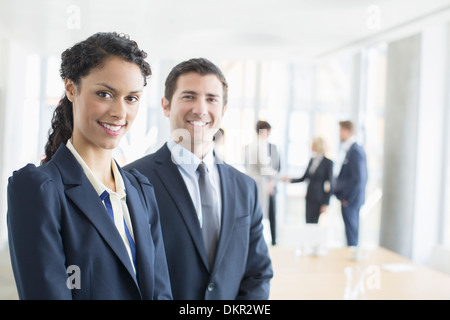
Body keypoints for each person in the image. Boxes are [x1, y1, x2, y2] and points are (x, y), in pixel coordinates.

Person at [7, 32, 172, 300]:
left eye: (131, 98)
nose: (120, 112)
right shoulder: (39, 188)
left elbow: (161, 291)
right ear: (71, 89)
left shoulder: (140, 190)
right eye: (105, 94)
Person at [125, 58, 273, 300]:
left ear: (223, 111)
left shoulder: (245, 187)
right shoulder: (133, 180)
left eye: (211, 99)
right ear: (166, 105)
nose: (201, 109)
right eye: (189, 96)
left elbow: (257, 272)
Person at [245, 120, 280, 245]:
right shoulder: (260, 146)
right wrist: (280, 177)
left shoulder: (251, 146)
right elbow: (264, 168)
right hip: (259, 184)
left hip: (253, 183)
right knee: (259, 216)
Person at [283, 137, 333, 224]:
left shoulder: (328, 162)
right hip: (310, 196)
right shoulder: (312, 160)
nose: (311, 146)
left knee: (315, 223)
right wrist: (290, 180)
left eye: (313, 144)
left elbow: (330, 184)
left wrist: (326, 203)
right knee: (308, 221)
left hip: (319, 198)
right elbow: (304, 177)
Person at [333, 120, 368, 246]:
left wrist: (348, 198)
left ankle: (353, 263)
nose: (339, 135)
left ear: (345, 131)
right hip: (349, 200)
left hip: (351, 201)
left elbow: (358, 178)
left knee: (351, 235)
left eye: (340, 131)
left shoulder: (355, 151)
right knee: (350, 233)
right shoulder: (351, 150)